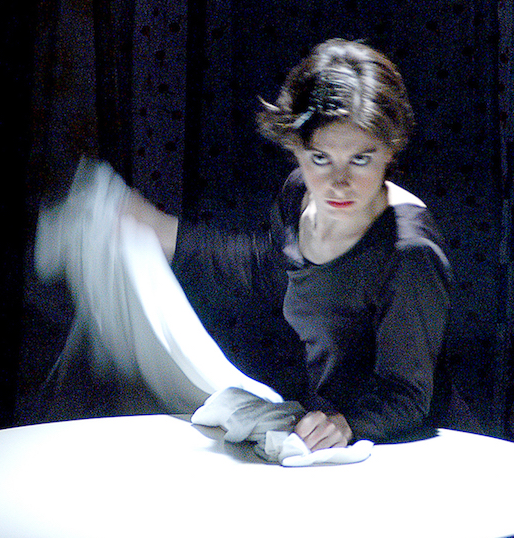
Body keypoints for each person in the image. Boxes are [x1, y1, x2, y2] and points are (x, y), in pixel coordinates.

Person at [122, 38, 463, 450]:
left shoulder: (408, 252)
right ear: (297, 149)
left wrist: (348, 423)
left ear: (390, 151)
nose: (339, 182)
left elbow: (407, 394)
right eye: (321, 158)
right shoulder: (300, 194)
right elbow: (264, 270)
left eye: (361, 159)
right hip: (329, 438)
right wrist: (165, 234)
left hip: (412, 448)